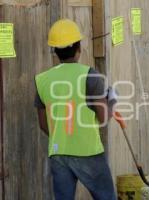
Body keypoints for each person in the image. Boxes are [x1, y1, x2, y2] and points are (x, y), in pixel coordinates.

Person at [34, 19, 117, 200]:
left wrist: (62, 137)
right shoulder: (90, 76)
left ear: (55, 51)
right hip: (89, 152)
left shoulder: (42, 80)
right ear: (79, 48)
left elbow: (43, 124)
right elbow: (103, 119)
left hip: (58, 153)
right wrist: (112, 100)